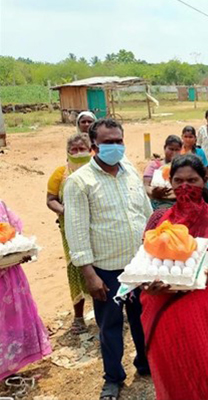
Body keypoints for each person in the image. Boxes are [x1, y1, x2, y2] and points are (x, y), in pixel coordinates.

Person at [141, 154, 208, 400]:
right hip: (164, 316)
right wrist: (148, 286)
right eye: (178, 181)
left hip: (204, 318)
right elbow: (146, 265)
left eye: (192, 180)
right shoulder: (159, 221)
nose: (185, 187)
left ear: (205, 180)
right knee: (174, 378)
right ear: (170, 183)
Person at [64, 119, 151, 400]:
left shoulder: (131, 173)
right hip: (107, 270)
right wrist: (89, 274)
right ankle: (113, 378)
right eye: (108, 142)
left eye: (118, 141)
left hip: (139, 265)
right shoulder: (79, 182)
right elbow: (76, 230)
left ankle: (145, 364)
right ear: (93, 146)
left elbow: (146, 214)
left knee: (142, 319)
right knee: (110, 326)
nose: (115, 146)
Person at [46, 132, 93, 333]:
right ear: (67, 153)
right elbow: (50, 199)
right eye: (74, 150)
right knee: (75, 268)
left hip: (97, 228)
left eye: (82, 149)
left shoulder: (97, 170)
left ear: (90, 150)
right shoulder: (60, 173)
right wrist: (66, 210)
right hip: (70, 230)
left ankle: (108, 311)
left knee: (101, 268)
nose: (78, 152)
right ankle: (79, 317)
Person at [0, 200, 52, 381]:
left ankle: (9, 369)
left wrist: (19, 250)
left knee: (10, 321)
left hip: (9, 277)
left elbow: (15, 229)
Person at [180, 126, 208, 209]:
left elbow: (205, 168)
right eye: (186, 137)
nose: (188, 139)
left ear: (195, 138)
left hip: (200, 181)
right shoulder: (179, 152)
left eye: (190, 137)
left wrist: (205, 181)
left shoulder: (200, 152)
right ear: (182, 137)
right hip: (184, 183)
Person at [143, 135, 181, 210]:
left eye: (177, 150)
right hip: (157, 203)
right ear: (164, 148)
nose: (174, 152)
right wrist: (154, 193)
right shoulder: (154, 165)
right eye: (171, 149)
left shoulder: (182, 166)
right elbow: (145, 186)